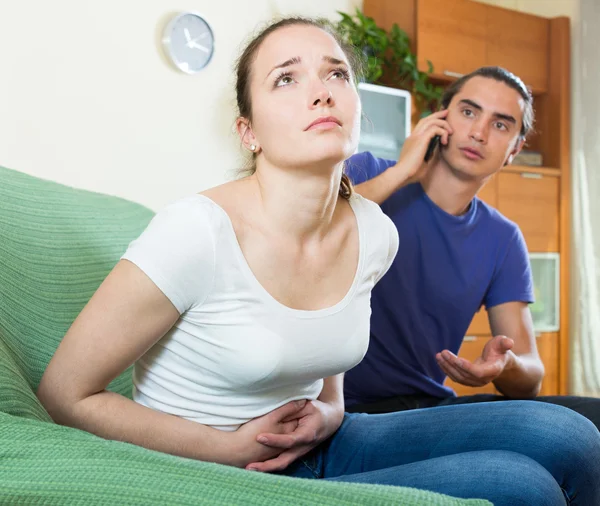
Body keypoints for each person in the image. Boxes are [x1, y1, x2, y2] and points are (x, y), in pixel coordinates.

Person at [37, 18, 600, 506]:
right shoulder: (196, 230)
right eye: (287, 78)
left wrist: (329, 412)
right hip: (216, 465)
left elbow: (329, 364)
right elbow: (65, 392)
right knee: (525, 490)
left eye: (336, 74)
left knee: (577, 439)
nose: (322, 92)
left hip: (325, 441)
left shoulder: (375, 233)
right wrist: (228, 446)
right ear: (248, 131)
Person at [344, 66, 600, 431]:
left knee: (589, 420)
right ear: (440, 118)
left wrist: (503, 366)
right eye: (468, 112)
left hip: (431, 409)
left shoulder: (503, 238)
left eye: (500, 125)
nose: (479, 133)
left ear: (515, 149)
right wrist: (402, 172)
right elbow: (309, 225)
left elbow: (531, 374)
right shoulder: (368, 173)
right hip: (348, 411)